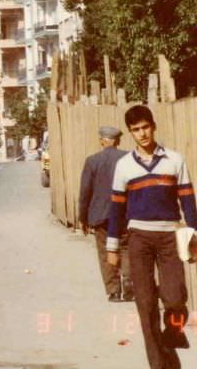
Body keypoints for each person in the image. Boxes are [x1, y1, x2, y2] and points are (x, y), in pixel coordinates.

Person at [107, 105, 196, 369]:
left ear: (153, 126)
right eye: (136, 130)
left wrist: (194, 237)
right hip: (139, 239)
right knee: (145, 305)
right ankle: (159, 364)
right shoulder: (123, 166)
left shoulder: (174, 160)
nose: (142, 134)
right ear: (131, 133)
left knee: (175, 298)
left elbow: (189, 203)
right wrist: (112, 247)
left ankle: (173, 334)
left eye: (145, 127)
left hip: (169, 237)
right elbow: (116, 209)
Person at [78, 126, 131, 302]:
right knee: (125, 248)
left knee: (105, 251)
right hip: (124, 213)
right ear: (118, 141)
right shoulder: (128, 158)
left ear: (102, 141)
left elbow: (85, 191)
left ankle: (114, 291)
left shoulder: (92, 161)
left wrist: (83, 217)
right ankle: (130, 285)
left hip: (100, 215)